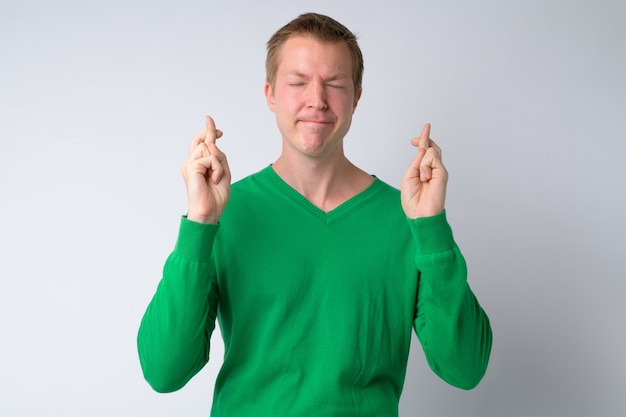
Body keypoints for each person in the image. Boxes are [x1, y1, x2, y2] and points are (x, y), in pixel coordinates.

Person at [138, 12, 492, 417]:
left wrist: (430, 227)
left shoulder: (405, 219)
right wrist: (199, 224)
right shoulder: (224, 213)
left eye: (335, 83)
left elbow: (465, 368)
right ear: (270, 94)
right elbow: (164, 371)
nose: (317, 99)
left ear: (357, 95)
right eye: (298, 82)